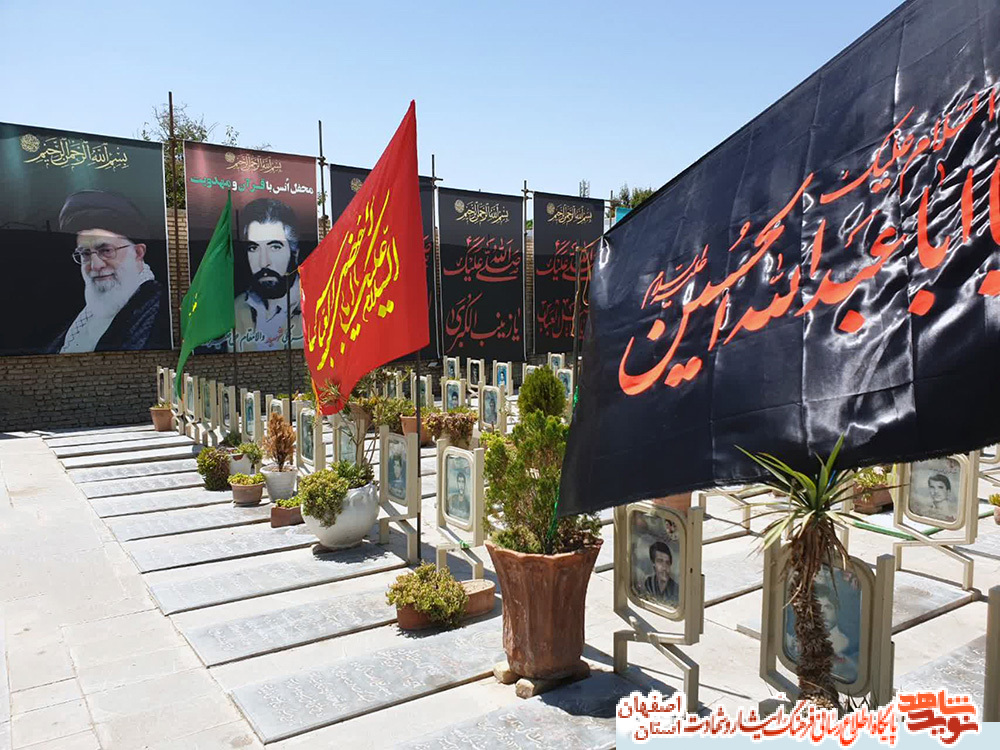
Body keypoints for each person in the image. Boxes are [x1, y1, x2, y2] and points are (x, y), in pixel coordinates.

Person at [50, 190, 170, 353]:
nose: (95, 265)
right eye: (86, 254)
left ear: (138, 253)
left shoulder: (159, 310)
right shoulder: (87, 314)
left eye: (106, 250)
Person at [235, 198, 303, 352]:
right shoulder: (238, 307)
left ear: (294, 253)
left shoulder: (314, 307)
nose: (263, 262)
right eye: (254, 248)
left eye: (275, 247)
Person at [643, 541, 679, 607]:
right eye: (660, 561)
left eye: (667, 563)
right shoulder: (649, 583)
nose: (664, 567)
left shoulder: (676, 590)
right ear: (653, 563)